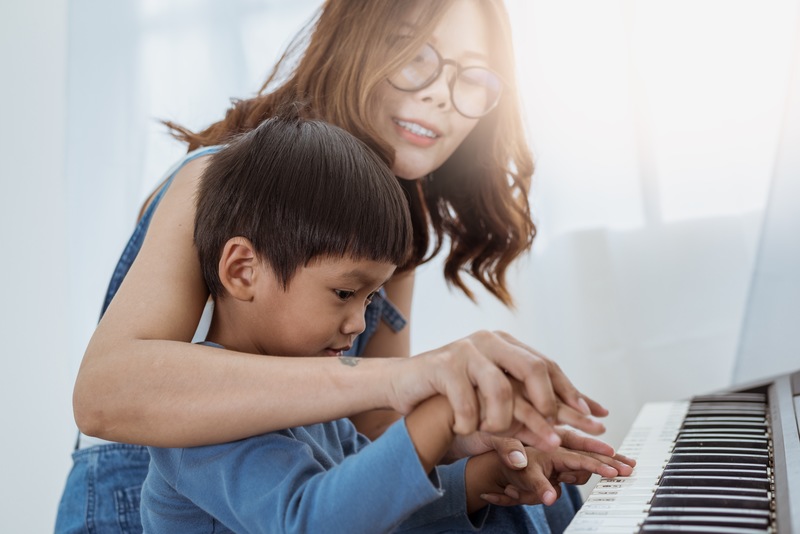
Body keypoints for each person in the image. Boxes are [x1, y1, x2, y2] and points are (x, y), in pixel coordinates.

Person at [57, 1, 634, 532]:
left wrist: (465, 437)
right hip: (126, 500)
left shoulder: (396, 222)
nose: (441, 94)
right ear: (353, 41)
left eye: (475, 78)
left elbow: (368, 425)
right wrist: (416, 384)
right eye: (417, 55)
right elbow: (105, 395)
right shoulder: (221, 182)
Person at [141, 107, 629, 534]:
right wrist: (435, 414)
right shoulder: (200, 419)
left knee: (530, 498)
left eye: (371, 299)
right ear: (244, 271)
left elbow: (376, 512)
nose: (358, 324)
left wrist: (484, 478)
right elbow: (311, 521)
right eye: (344, 293)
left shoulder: (317, 398)